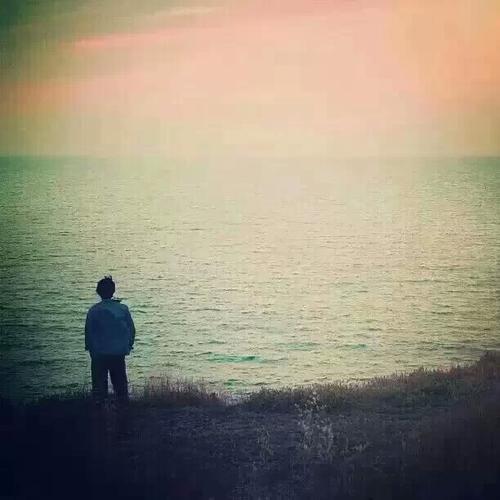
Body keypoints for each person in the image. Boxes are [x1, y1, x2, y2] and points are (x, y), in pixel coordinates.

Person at [85, 276, 135, 402]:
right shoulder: (122, 308)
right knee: (120, 386)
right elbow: (131, 329)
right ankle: (123, 409)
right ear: (113, 291)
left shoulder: (94, 310)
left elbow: (89, 332)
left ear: (98, 292)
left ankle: (100, 409)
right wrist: (128, 346)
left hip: (99, 353)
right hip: (118, 352)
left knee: (99, 388)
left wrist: (91, 350)